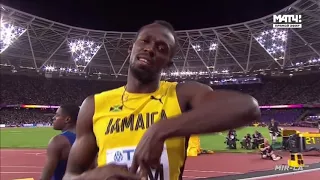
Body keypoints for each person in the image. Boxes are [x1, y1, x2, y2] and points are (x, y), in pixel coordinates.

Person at [63, 20, 260, 180]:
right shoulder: (94, 105)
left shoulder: (182, 94)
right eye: (145, 41)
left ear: (168, 63)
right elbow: (70, 175)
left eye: (161, 48)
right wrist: (94, 177)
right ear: (130, 48)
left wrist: (159, 130)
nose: (150, 49)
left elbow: (247, 108)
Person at [40, 104, 79, 180]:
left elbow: (45, 177)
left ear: (67, 119)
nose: (53, 118)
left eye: (57, 115)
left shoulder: (58, 142)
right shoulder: (90, 138)